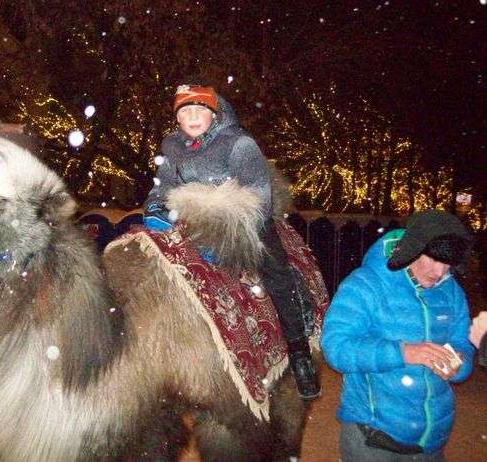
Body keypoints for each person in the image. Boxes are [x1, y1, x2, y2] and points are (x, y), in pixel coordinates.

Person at [143, 80, 320, 400]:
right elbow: (164, 183)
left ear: (214, 113)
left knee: (275, 272)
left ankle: (298, 353)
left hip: (243, 219)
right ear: (177, 118)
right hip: (190, 217)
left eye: (200, 109)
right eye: (186, 110)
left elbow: (258, 199)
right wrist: (155, 205)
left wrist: (225, 232)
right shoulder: (171, 145)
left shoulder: (239, 145)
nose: (193, 115)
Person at [321, 209, 474, 461]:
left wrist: (459, 363)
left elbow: (462, 344)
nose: (439, 272)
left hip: (431, 443)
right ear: (414, 248)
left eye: (448, 265)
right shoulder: (366, 284)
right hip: (374, 441)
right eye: (434, 259)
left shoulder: (452, 292)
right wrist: (404, 352)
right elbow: (336, 348)